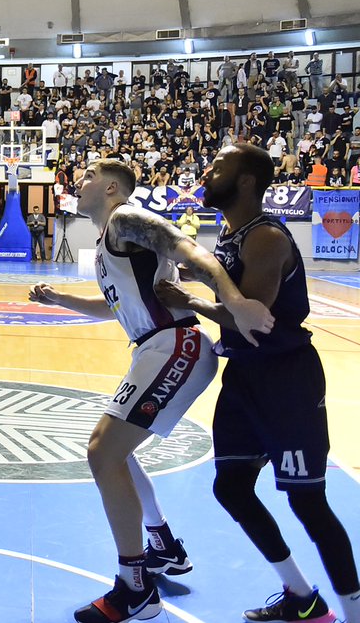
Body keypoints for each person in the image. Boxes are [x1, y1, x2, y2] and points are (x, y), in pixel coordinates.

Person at [30, 158, 274, 623]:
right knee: (117, 453)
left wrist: (236, 303)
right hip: (157, 347)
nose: (79, 181)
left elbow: (189, 251)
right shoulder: (109, 241)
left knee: (103, 452)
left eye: (88, 177)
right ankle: (162, 546)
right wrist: (60, 299)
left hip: (175, 343)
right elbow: (112, 307)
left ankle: (134, 586)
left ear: (111, 189)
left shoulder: (126, 217)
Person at [157, 144, 360, 623]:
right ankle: (301, 597)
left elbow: (255, 319)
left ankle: (352, 612)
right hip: (245, 377)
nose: (206, 171)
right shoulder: (233, 232)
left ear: (246, 180)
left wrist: (191, 299)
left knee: (308, 502)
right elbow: (230, 281)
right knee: (231, 487)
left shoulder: (266, 237)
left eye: (217, 166)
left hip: (285, 380)